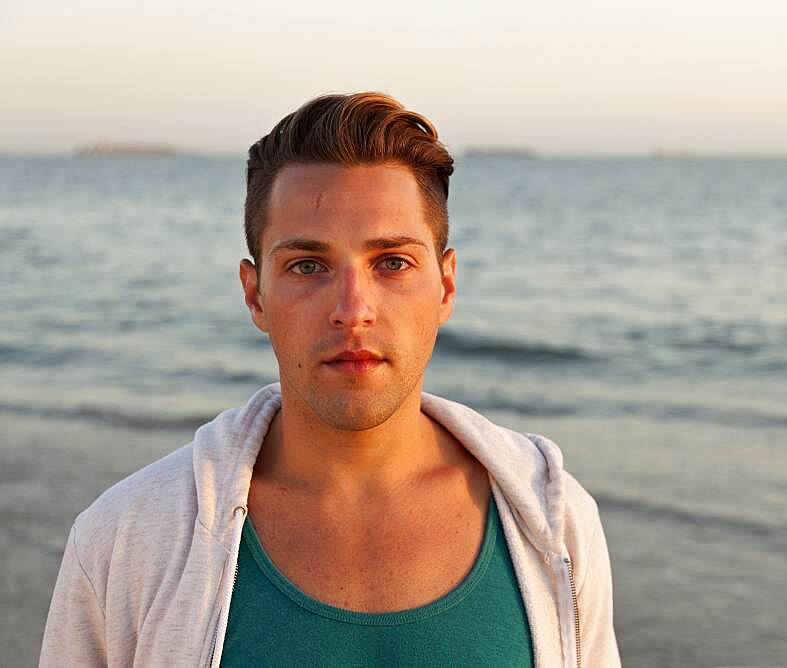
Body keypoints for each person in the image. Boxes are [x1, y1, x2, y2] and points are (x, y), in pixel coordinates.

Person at [40, 92, 620, 667]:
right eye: (308, 266)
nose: (353, 308)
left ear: (445, 286)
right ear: (254, 294)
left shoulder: (555, 521)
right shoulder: (125, 539)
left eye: (392, 262)